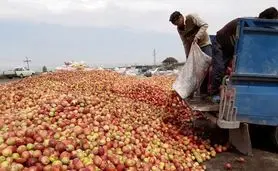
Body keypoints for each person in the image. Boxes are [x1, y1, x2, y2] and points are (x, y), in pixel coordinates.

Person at [209, 7, 278, 100]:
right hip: (220, 43)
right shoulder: (248, 23)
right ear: (265, 19)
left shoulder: (261, 28)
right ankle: (213, 94)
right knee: (219, 68)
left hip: (232, 47)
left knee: (229, 69)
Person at [169, 11, 212, 97]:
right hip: (194, 48)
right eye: (175, 24)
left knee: (208, 66)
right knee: (198, 71)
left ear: (181, 17)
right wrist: (188, 56)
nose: (177, 25)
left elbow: (205, 25)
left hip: (204, 44)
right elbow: (185, 42)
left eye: (177, 22)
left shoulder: (191, 17)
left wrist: (197, 37)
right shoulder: (179, 29)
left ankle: (211, 90)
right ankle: (202, 92)